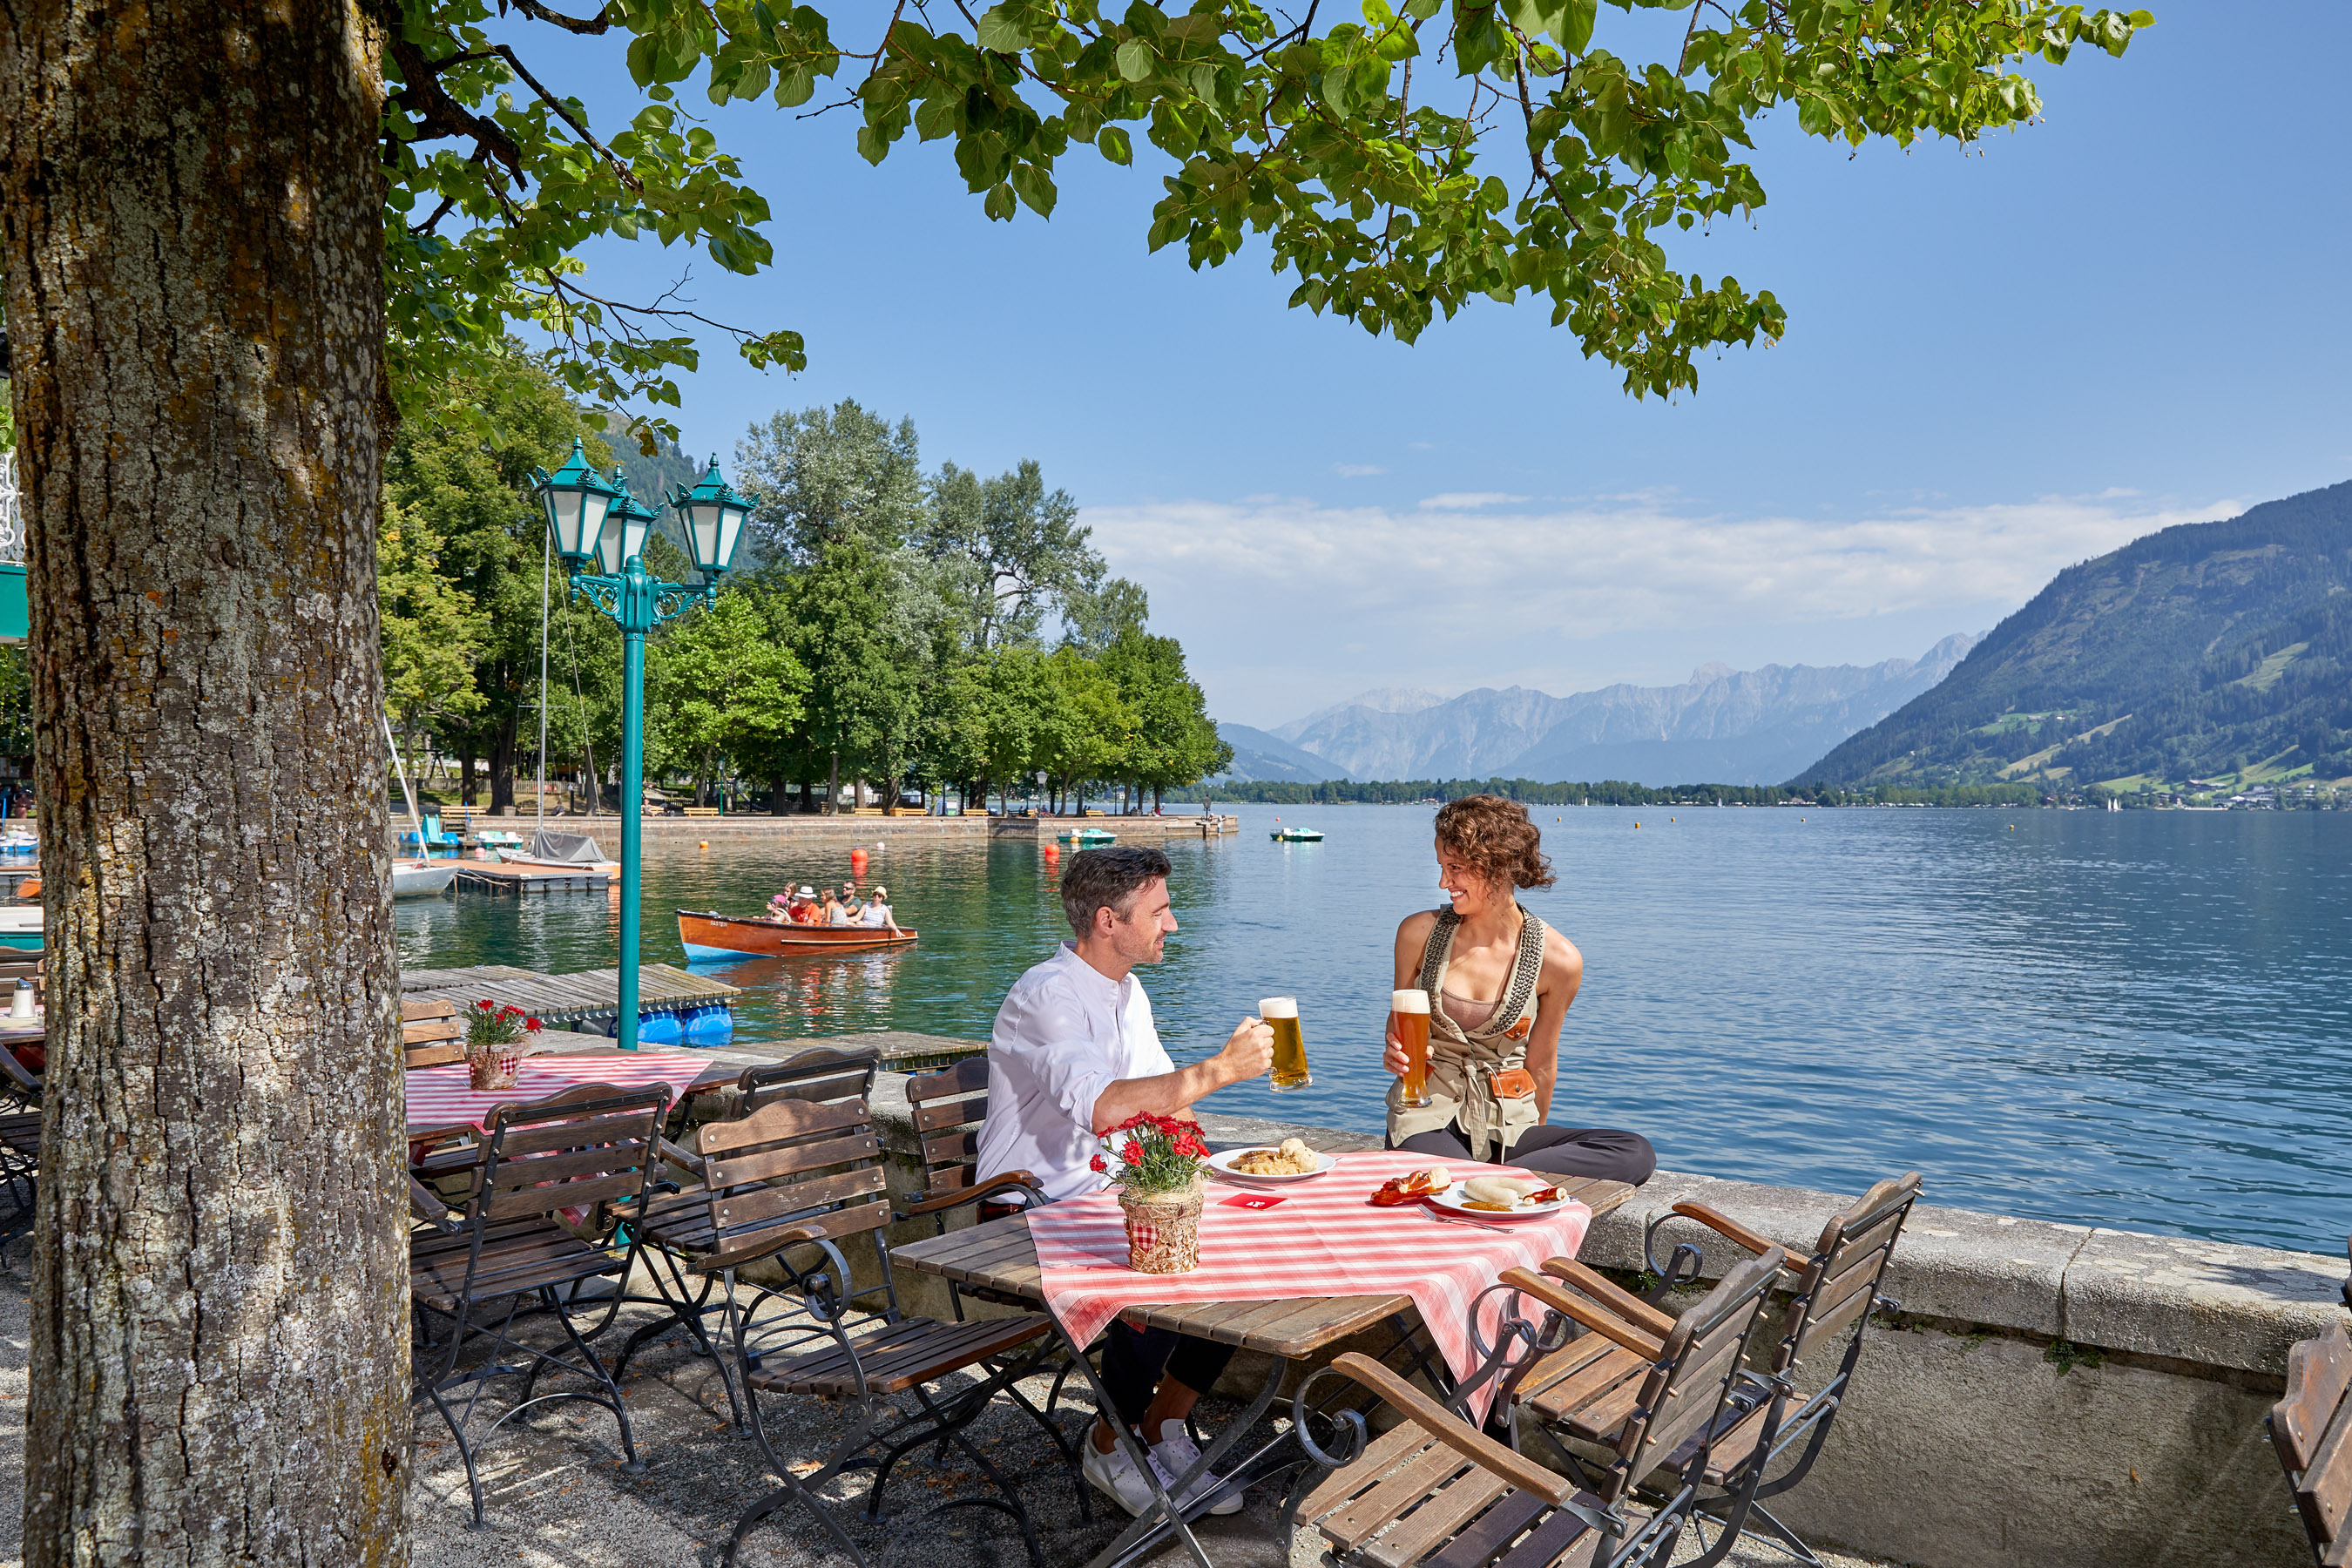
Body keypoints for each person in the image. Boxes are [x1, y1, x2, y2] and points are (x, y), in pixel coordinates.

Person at [975, 847, 1274, 1520]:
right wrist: (1223, 1068)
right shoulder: (1046, 995)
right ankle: (1107, 1445)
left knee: (1240, 1252)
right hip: (1023, 1207)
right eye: (1161, 912)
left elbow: (1165, 1103)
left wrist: (1216, 1173)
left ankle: (1160, 1427)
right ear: (1109, 921)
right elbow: (1104, 1106)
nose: (1173, 925)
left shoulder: (1124, 990)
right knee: (1156, 1271)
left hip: (1098, 1197)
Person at [1381, 794, 1655, 1185]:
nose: (1444, 882)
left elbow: (1541, 1064)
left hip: (1509, 1124)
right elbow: (1397, 1027)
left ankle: (1491, 1180)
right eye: (1442, 867)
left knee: (1635, 1153)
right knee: (1443, 1174)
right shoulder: (1418, 933)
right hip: (1428, 1117)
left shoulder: (1559, 961)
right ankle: (1491, 1183)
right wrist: (1393, 1050)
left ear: (1497, 867)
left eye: (1455, 868)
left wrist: (1540, 1153)